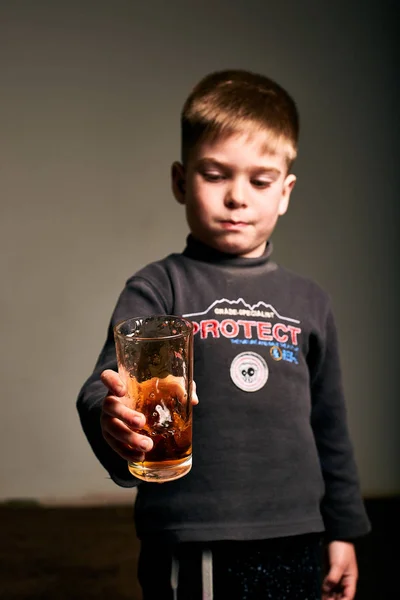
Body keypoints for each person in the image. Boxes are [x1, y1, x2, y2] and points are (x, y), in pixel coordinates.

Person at [77, 69, 371, 599]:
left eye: (260, 181)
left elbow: (330, 426)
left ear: (285, 193)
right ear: (179, 180)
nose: (238, 197)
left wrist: (344, 529)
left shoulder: (311, 302)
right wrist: (111, 416)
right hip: (194, 533)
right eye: (215, 175)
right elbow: (105, 384)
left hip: (298, 532)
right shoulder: (158, 287)